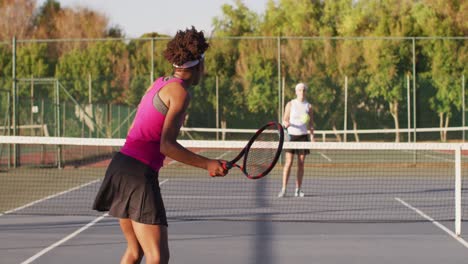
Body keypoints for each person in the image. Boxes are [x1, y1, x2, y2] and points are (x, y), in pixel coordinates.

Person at [93, 26, 228, 264]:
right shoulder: (180, 93)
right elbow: (166, 145)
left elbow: (138, 128)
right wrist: (207, 163)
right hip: (138, 175)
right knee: (157, 258)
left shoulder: (159, 83)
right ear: (198, 65)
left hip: (120, 167)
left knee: (134, 253)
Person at [278, 82, 314, 198]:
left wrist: (312, 136)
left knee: (301, 164)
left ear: (306, 92)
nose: (302, 92)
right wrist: (286, 123)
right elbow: (284, 119)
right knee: (288, 163)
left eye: (303, 90)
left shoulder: (309, 106)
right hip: (291, 137)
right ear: (296, 91)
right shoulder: (290, 104)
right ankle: (283, 189)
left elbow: (311, 124)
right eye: (299, 90)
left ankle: (298, 190)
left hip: (303, 137)